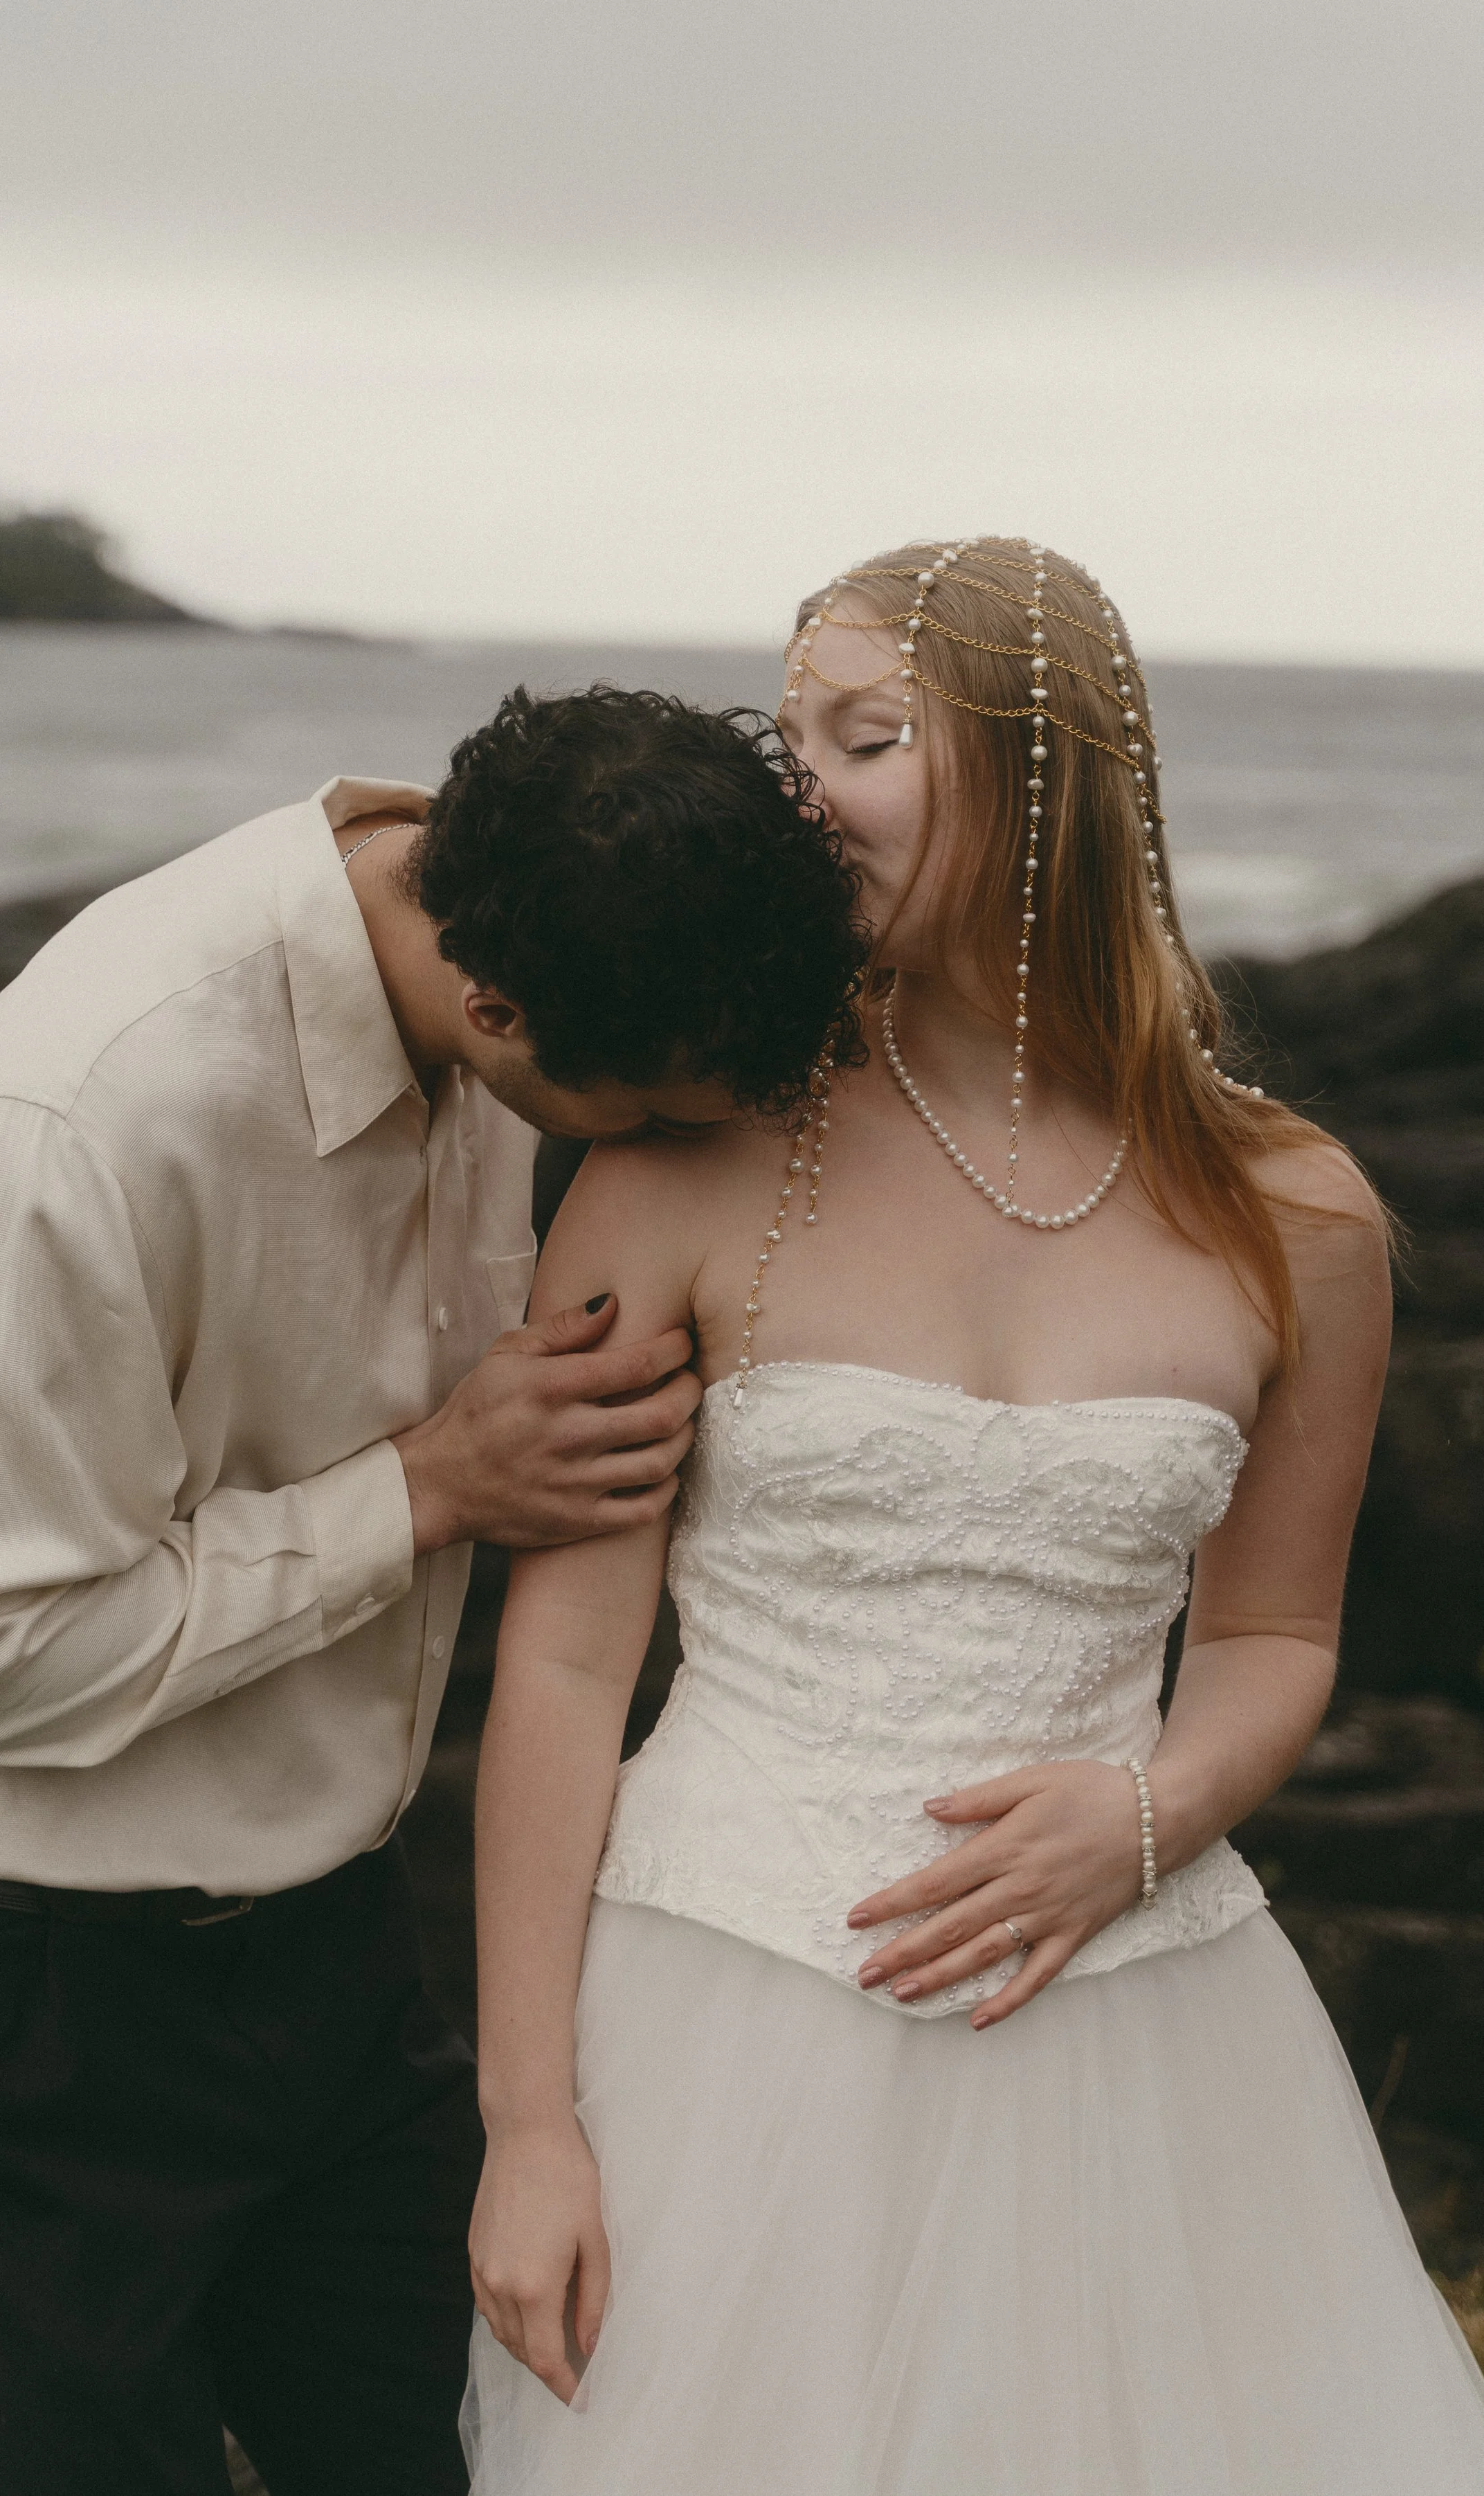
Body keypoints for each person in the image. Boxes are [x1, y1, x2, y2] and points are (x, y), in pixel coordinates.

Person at [464, 543, 1484, 2493]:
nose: (802, 789)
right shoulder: (677, 1163)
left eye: (863, 736)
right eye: (787, 739)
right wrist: (531, 2121)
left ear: (1044, 775)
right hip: (723, 2025)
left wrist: (1148, 1809)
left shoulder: (1297, 1210)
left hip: (1140, 2034)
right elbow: (569, 1662)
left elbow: (1273, 1639)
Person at [0, 683, 867, 2496]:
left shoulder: (551, 909)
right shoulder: (80, 1117)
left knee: (488, 2460)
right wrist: (431, 1487)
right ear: (496, 1008)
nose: (657, 1161)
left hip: (331, 1948)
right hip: (7, 1985)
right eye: (644, 1120)